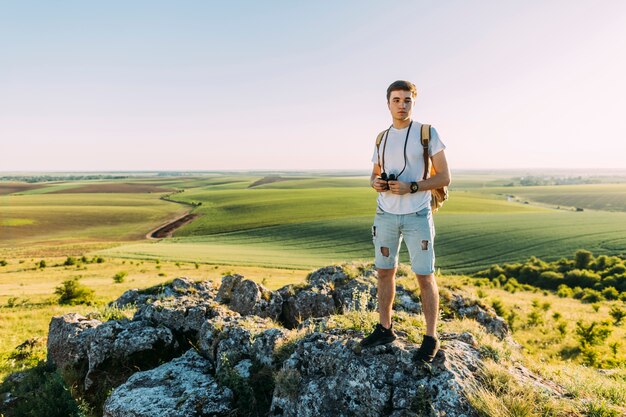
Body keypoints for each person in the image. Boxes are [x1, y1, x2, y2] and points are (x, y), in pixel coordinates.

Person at [360, 80, 451, 364]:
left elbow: (444, 177)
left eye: (407, 100)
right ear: (388, 103)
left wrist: (411, 186)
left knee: (424, 276)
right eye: (396, 100)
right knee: (384, 272)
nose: (402, 105)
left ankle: (430, 337)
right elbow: (374, 174)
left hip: (417, 215)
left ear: (413, 102)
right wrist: (377, 184)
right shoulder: (381, 137)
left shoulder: (427, 133)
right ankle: (385, 328)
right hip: (385, 213)